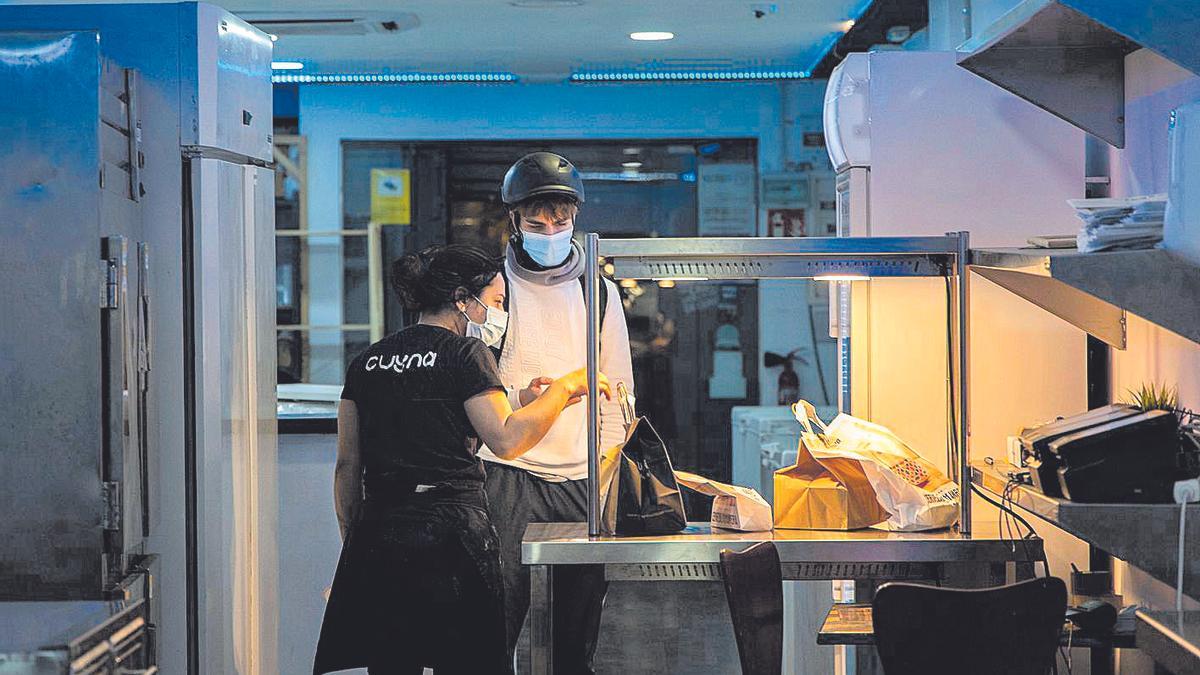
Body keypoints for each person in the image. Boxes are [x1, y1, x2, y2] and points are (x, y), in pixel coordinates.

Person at [312, 244, 611, 675]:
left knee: (393, 664)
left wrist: (355, 540)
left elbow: (347, 467)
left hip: (380, 535)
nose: (498, 314)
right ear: (462, 299)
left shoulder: (367, 362)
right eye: (496, 302)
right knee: (468, 664)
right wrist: (563, 390)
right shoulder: (464, 354)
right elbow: (506, 439)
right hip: (452, 541)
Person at [478, 152, 635, 674]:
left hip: (581, 480)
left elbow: (620, 393)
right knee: (491, 627)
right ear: (515, 222)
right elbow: (475, 384)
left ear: (576, 221)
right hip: (506, 476)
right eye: (537, 223)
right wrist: (524, 395)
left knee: (576, 634)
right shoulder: (491, 288)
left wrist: (605, 472)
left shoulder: (601, 293)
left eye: (561, 223)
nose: (550, 232)